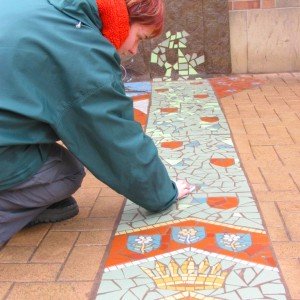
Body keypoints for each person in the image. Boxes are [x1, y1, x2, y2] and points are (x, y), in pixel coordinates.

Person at [0, 0, 193, 247]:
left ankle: (26, 200)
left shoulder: (51, 10)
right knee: (65, 171)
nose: (134, 50)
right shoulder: (81, 51)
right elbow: (116, 140)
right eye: (140, 38)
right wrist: (165, 193)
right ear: (126, 19)